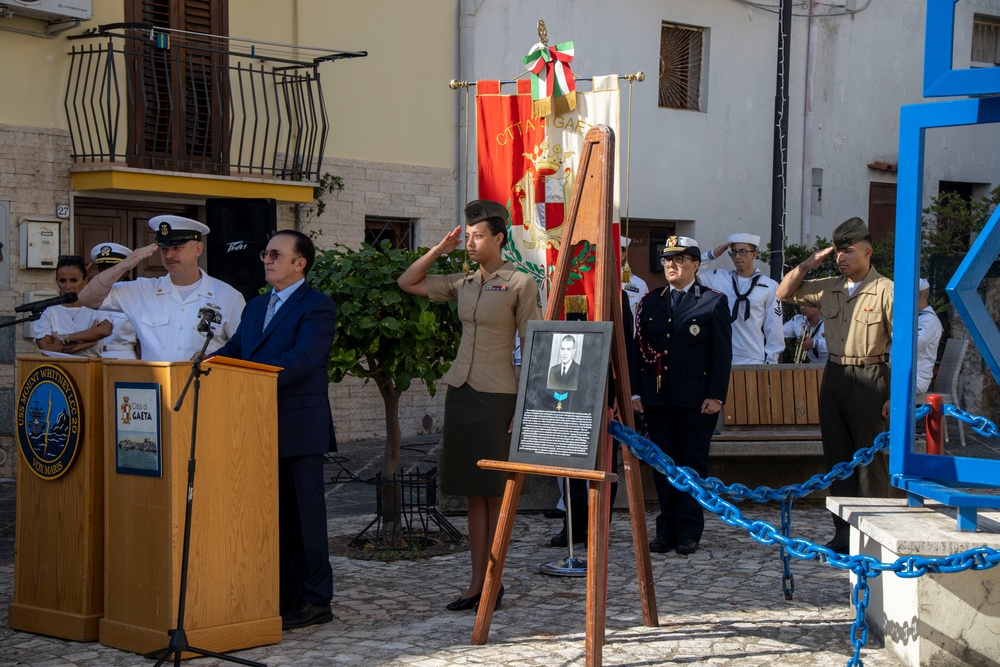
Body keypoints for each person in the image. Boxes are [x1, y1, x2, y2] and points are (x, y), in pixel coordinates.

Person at [397, 199, 541, 612]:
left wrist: (526, 405)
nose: (472, 242)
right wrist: (438, 251)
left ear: (499, 238)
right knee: (473, 496)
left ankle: (494, 583)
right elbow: (408, 282)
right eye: (469, 236)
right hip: (461, 392)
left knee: (495, 494)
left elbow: (532, 343)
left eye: (480, 236)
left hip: (499, 397)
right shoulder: (463, 281)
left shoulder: (520, 283)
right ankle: (477, 584)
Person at [213, 229, 338, 631]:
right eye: (265, 253)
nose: (265, 260)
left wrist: (250, 378)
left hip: (299, 425)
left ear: (299, 264)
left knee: (306, 517)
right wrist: (203, 366)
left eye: (275, 254)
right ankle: (282, 594)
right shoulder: (255, 306)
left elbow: (303, 359)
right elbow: (235, 350)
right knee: (272, 517)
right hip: (255, 425)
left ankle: (317, 599)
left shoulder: (318, 306)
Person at [776, 217, 893, 555]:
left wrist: (894, 396)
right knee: (838, 459)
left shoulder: (886, 289)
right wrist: (808, 264)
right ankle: (843, 535)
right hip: (835, 375)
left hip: (871, 377)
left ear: (868, 253)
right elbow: (784, 292)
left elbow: (903, 345)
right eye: (838, 252)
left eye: (848, 251)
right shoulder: (829, 286)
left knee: (870, 461)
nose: (841, 258)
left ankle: (874, 535)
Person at [631, 236, 732, 555]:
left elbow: (721, 354)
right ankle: (667, 530)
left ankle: (689, 530)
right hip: (658, 398)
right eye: (666, 261)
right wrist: (637, 391)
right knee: (662, 464)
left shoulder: (712, 301)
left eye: (679, 260)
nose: (671, 266)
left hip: (696, 399)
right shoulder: (651, 301)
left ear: (695, 264)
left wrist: (716, 395)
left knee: (691, 465)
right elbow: (638, 351)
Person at [77, 215, 244, 361]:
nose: (169, 255)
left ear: (198, 249)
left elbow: (242, 348)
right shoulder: (142, 291)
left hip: (205, 390)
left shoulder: (227, 296)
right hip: (154, 392)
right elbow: (87, 299)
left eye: (177, 247)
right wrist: (124, 265)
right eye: (164, 249)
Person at [700, 233, 784, 365]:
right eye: (733, 252)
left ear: (754, 254)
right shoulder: (720, 278)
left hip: (753, 357)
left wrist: (771, 362)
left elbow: (774, 327)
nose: (737, 256)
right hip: (721, 354)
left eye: (743, 251)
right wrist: (713, 254)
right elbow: (690, 270)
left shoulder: (769, 285)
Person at [33, 255, 112, 357]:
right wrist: (88, 342)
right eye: (62, 281)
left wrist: (64, 338)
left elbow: (104, 330)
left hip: (92, 368)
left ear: (85, 280)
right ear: (56, 281)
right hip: (57, 370)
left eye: (74, 280)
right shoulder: (48, 312)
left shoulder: (98, 307)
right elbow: (46, 349)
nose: (67, 287)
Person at [90, 242, 139, 359]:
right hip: (91, 356)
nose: (107, 273)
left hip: (122, 356)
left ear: (125, 271)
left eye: (112, 268)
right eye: (103, 269)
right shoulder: (91, 299)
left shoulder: (135, 298)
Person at [916, 278, 943, 394]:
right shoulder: (917, 317)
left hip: (916, 379)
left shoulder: (929, 320)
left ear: (920, 295)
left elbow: (912, 347)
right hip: (902, 375)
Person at [621, 235, 649, 322]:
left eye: (615, 251)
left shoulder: (638, 283)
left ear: (623, 255)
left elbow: (644, 315)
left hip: (628, 334)